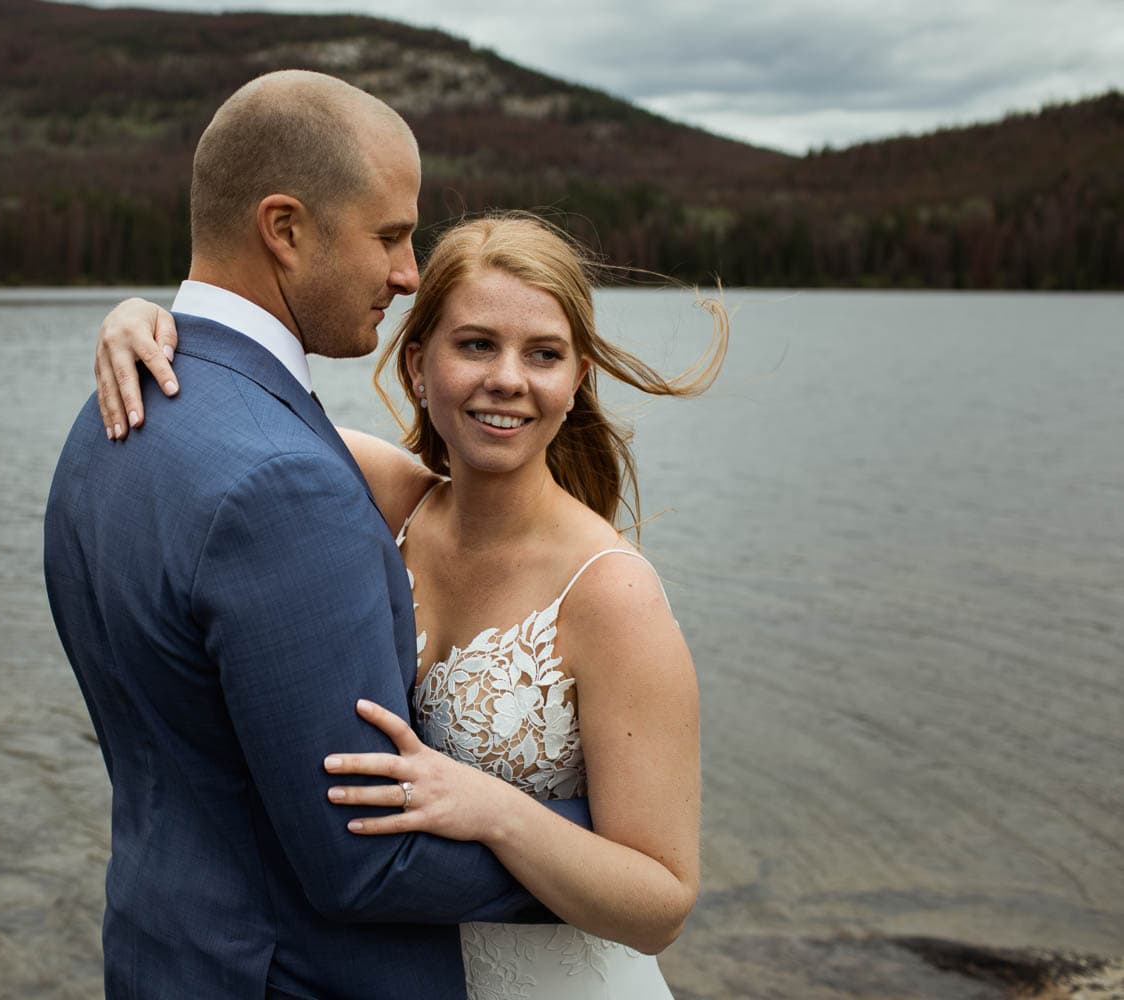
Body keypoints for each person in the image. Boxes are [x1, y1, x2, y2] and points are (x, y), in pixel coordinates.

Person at [44, 72, 592, 1000]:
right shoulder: (282, 486)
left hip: (161, 952)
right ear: (285, 228)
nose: (409, 272)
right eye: (388, 235)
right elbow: (366, 865)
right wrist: (590, 845)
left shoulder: (111, 417)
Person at [91, 212, 729, 998]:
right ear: (420, 366)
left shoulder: (612, 594)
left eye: (544, 354)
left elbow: (662, 900)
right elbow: (240, 417)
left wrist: (495, 810)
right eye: (476, 345)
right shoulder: (382, 497)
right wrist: (140, 321)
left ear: (577, 380)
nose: (508, 378)